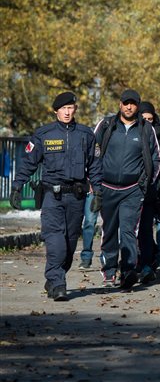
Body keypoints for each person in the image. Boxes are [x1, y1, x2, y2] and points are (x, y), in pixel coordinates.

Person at [10, 92, 102, 301]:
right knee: (56, 242)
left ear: (75, 109)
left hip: (76, 197)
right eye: (64, 109)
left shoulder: (86, 135)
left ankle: (53, 278)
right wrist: (17, 186)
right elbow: (29, 163)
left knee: (69, 245)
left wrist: (98, 192)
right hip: (52, 196)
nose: (68, 112)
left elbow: (95, 166)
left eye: (71, 108)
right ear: (56, 111)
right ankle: (59, 283)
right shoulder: (44, 134)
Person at [94, 89, 160, 290]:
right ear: (120, 104)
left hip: (133, 190)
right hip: (106, 188)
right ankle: (109, 269)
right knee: (109, 230)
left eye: (133, 103)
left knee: (129, 231)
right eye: (125, 103)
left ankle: (128, 271)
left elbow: (156, 159)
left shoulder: (146, 129)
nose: (129, 107)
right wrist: (95, 183)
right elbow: (92, 155)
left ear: (137, 106)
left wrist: (144, 183)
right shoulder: (106, 125)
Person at [136, 101, 160, 284]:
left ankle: (147, 264)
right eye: (144, 119)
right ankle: (133, 262)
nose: (148, 122)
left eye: (151, 119)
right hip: (132, 188)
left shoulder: (159, 134)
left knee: (146, 229)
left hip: (153, 188)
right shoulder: (134, 132)